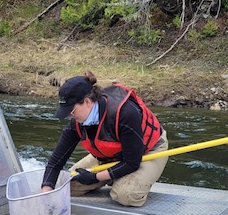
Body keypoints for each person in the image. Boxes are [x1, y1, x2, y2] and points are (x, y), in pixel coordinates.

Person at [42, 71, 169, 207]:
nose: (69, 116)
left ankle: (123, 180)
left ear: (87, 101)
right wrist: (46, 193)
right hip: (111, 156)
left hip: (147, 152)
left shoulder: (126, 114)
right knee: (66, 186)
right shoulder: (77, 122)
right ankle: (114, 177)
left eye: (71, 111)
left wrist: (94, 177)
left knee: (125, 195)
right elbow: (56, 161)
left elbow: (132, 163)